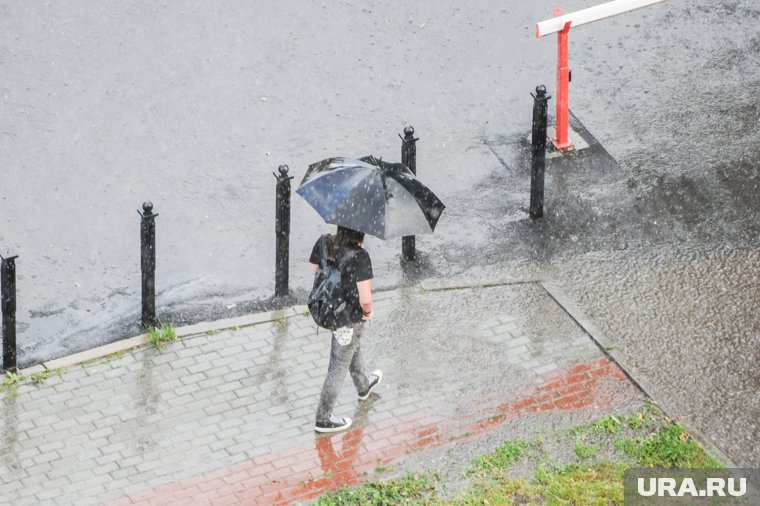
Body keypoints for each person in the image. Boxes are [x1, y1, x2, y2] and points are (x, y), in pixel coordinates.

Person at [309, 226, 382, 433]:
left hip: (329, 309)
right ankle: (323, 418)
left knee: (351, 347)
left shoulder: (325, 242)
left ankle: (363, 386)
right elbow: (365, 299)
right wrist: (368, 312)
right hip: (348, 317)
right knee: (339, 364)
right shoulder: (360, 257)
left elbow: (314, 269)